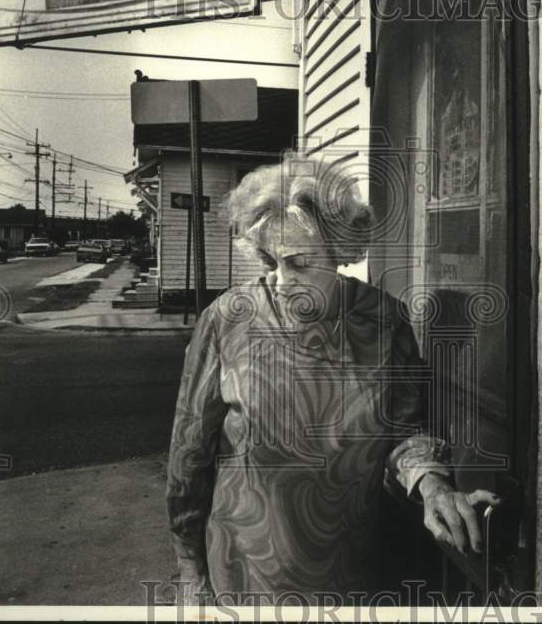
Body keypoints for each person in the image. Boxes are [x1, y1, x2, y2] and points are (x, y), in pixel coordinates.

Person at [166, 151, 499, 605]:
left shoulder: (384, 321)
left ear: (339, 250)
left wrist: (433, 486)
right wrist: (190, 570)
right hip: (244, 571)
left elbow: (405, 430)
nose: (282, 280)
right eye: (272, 262)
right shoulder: (227, 321)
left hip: (350, 570)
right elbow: (189, 454)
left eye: (300, 263)